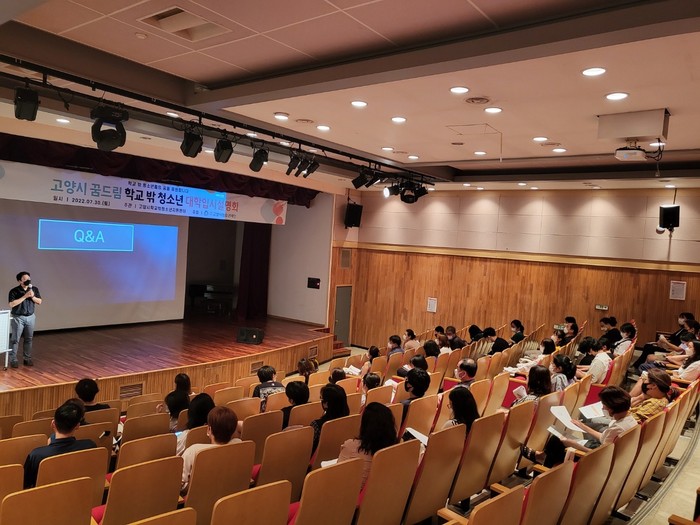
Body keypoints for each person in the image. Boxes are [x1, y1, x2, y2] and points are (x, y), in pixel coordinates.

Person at [525, 386, 637, 467]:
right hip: (603, 451)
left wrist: (574, 444)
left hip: (596, 460)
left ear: (612, 407)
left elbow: (599, 455)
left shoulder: (618, 428)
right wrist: (582, 426)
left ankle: (543, 463)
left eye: (604, 405)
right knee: (559, 437)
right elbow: (604, 437)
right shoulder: (630, 420)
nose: (602, 408)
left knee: (558, 440)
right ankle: (543, 457)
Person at [23, 400, 96, 488]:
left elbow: (25, 485)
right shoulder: (90, 446)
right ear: (77, 426)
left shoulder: (36, 455)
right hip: (79, 493)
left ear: (53, 424)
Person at [180, 406, 240, 494]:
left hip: (199, 497)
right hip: (229, 495)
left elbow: (180, 485)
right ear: (234, 429)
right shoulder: (239, 444)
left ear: (209, 429)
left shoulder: (193, 451)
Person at [337, 402, 397, 487]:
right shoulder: (394, 449)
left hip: (351, 491)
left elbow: (338, 476)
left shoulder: (351, 446)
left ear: (365, 425)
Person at [8, 271, 42, 368]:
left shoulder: (34, 289)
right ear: (20, 281)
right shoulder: (14, 291)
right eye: (25, 279)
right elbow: (11, 304)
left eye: (28, 278)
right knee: (15, 339)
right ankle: (13, 359)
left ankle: (27, 358)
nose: (28, 280)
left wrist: (32, 296)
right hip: (18, 317)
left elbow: (39, 301)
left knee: (29, 339)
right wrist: (25, 296)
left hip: (30, 317)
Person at [310, 384, 349, 452]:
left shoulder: (317, 425)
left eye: (321, 398)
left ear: (326, 404)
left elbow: (309, 448)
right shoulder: (352, 420)